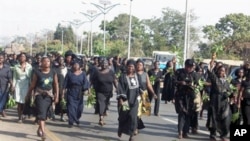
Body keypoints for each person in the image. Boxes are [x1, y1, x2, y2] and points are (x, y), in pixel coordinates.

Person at [25, 56, 59, 140]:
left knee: (45, 115)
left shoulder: (53, 72)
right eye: (45, 61)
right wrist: (28, 94)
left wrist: (57, 95)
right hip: (39, 95)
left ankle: (40, 128)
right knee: (42, 113)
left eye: (48, 61)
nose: (46, 63)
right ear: (41, 63)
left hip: (49, 96)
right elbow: (33, 85)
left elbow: (56, 85)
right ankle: (43, 133)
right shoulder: (37, 73)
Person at [117, 59, 143, 141]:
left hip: (135, 101)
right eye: (129, 67)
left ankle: (131, 135)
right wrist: (121, 98)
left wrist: (142, 96)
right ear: (126, 67)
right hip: (125, 101)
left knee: (133, 118)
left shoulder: (137, 76)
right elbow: (120, 89)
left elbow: (140, 87)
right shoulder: (123, 77)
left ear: (134, 67)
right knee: (124, 116)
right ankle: (120, 128)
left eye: (132, 67)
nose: (130, 68)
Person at [206, 60, 231, 141]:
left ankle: (223, 135)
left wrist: (229, 94)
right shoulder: (215, 79)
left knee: (225, 119)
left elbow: (229, 91)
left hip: (224, 103)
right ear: (218, 71)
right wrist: (211, 65)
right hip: (215, 102)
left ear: (225, 72)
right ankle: (212, 135)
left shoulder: (226, 82)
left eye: (223, 71)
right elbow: (210, 72)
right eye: (220, 70)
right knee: (213, 119)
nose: (221, 72)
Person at [174, 59, 199, 139]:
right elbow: (174, 81)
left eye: (191, 67)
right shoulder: (179, 72)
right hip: (181, 96)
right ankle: (180, 132)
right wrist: (180, 82)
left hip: (190, 97)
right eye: (188, 66)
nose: (190, 68)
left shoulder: (194, 75)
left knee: (188, 114)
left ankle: (186, 132)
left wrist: (193, 86)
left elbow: (198, 85)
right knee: (182, 114)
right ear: (185, 66)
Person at [63, 59, 90, 127]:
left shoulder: (83, 73)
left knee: (79, 108)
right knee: (71, 107)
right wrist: (63, 92)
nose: (75, 66)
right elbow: (65, 83)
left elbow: (86, 82)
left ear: (79, 66)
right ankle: (71, 120)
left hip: (80, 92)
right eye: (74, 65)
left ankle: (76, 118)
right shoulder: (69, 73)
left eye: (77, 65)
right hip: (71, 91)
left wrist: (88, 91)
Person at [135, 59, 157, 135]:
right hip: (135, 94)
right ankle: (136, 128)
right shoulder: (133, 74)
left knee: (139, 112)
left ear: (143, 66)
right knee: (136, 111)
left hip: (143, 94)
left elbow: (149, 85)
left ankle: (137, 126)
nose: (138, 66)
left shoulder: (145, 74)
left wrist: (153, 93)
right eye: (137, 65)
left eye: (140, 65)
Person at [92, 58, 117, 126]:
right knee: (101, 104)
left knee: (105, 104)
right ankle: (101, 118)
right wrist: (90, 88)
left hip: (108, 92)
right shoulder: (97, 72)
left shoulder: (111, 72)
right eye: (102, 63)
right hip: (99, 91)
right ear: (100, 64)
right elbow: (92, 80)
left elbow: (114, 81)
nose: (104, 65)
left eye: (105, 63)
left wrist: (117, 88)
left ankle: (103, 114)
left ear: (107, 64)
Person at [12, 53, 33, 123]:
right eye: (21, 56)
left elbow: (30, 78)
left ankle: (24, 114)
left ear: (26, 58)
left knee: (24, 101)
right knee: (19, 102)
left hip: (26, 84)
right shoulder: (16, 66)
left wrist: (31, 87)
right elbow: (14, 77)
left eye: (23, 56)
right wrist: (13, 85)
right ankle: (19, 117)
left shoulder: (29, 66)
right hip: (18, 84)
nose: (22, 58)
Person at [54, 56, 68, 121]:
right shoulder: (55, 69)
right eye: (59, 59)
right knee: (54, 100)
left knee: (62, 101)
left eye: (62, 59)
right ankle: (53, 114)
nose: (61, 61)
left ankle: (62, 116)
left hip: (63, 87)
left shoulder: (66, 69)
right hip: (56, 86)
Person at [0, 53, 13, 118]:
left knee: (3, 101)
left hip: (4, 87)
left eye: (1, 58)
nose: (0, 59)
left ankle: (2, 110)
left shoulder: (7, 68)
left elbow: (10, 78)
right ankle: (2, 111)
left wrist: (12, 85)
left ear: (4, 59)